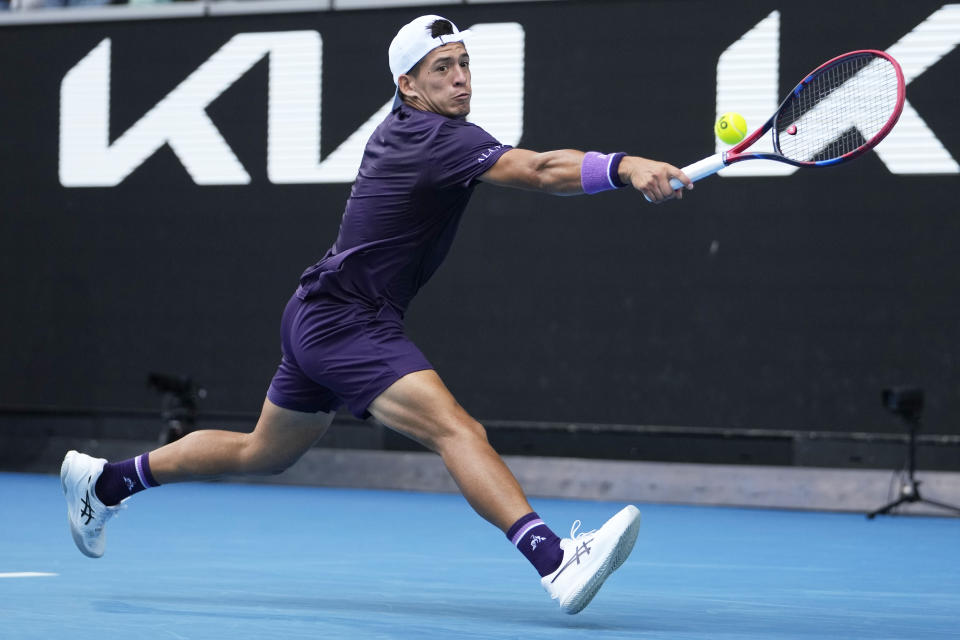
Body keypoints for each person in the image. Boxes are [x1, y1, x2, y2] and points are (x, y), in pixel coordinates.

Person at [60, 14, 692, 615]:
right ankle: (556, 561)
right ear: (407, 86)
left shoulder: (412, 126)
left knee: (263, 453)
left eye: (465, 64)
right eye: (442, 68)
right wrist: (626, 166)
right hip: (346, 321)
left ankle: (106, 485)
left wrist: (625, 170)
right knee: (457, 430)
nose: (461, 78)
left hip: (319, 312)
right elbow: (540, 169)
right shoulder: (439, 139)